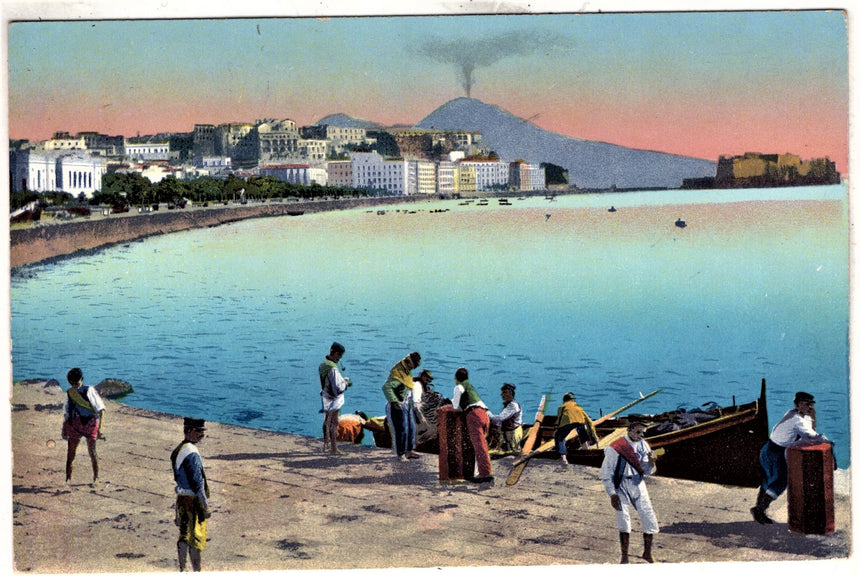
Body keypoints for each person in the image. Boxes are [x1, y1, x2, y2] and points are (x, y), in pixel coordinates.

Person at [751, 391, 830, 524]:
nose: (810, 407)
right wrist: (827, 441)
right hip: (775, 453)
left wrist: (812, 416)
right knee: (780, 482)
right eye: (807, 404)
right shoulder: (797, 419)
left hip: (768, 449)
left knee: (768, 481)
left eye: (811, 405)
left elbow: (808, 429)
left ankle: (759, 510)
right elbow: (812, 436)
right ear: (799, 404)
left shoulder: (792, 413)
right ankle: (759, 510)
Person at [599, 417, 659, 564]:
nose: (641, 435)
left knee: (648, 516)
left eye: (643, 432)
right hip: (621, 484)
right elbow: (606, 473)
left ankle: (647, 553)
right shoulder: (616, 447)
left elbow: (648, 471)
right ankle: (624, 557)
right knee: (623, 518)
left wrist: (651, 463)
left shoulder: (644, 445)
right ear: (631, 429)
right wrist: (612, 494)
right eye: (638, 432)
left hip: (638, 483)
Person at [171, 417, 211, 572]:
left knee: (183, 534)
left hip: (181, 498)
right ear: (190, 431)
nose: (201, 435)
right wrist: (205, 507)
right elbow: (197, 483)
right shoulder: (192, 453)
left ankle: (182, 569)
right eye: (199, 431)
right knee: (196, 538)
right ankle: (196, 570)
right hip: (193, 500)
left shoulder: (178, 450)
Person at [61, 367, 106, 485]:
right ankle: (68, 479)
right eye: (72, 384)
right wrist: (64, 428)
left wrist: (100, 429)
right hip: (74, 423)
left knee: (92, 451)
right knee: (71, 452)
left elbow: (102, 410)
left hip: (90, 423)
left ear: (82, 379)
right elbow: (67, 412)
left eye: (77, 383)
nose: (74, 386)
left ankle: (96, 478)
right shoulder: (70, 393)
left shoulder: (89, 390)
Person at [452, 367, 493, 483]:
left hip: (474, 415)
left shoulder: (459, 386)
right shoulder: (470, 387)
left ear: (456, 378)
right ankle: (481, 471)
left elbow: (455, 407)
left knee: (479, 446)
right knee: (481, 445)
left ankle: (485, 474)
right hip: (484, 414)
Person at [382, 352, 422, 461]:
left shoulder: (407, 373)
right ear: (408, 362)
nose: (413, 368)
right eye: (413, 365)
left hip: (407, 405)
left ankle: (409, 451)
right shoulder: (398, 373)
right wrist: (394, 402)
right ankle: (401, 454)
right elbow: (386, 387)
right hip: (398, 405)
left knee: (411, 428)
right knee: (402, 429)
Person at [319, 342, 351, 456]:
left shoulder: (323, 364)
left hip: (325, 396)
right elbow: (339, 387)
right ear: (336, 354)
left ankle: (326, 444)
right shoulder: (333, 368)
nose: (339, 359)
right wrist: (346, 382)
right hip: (334, 398)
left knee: (326, 420)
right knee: (334, 423)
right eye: (340, 356)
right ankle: (334, 449)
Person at [554, 392, 598, 465]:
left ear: (564, 400)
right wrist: (594, 436)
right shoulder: (579, 407)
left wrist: (556, 429)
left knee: (559, 437)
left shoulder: (561, 408)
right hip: (580, 422)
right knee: (582, 432)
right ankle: (586, 449)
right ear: (573, 400)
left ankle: (563, 457)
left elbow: (559, 420)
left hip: (567, 423)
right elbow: (589, 422)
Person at [488, 383, 523, 454]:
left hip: (513, 434)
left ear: (510, 393)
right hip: (508, 434)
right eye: (502, 393)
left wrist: (486, 412)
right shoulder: (508, 404)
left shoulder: (513, 406)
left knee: (514, 453)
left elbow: (499, 418)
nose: (502, 395)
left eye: (504, 392)